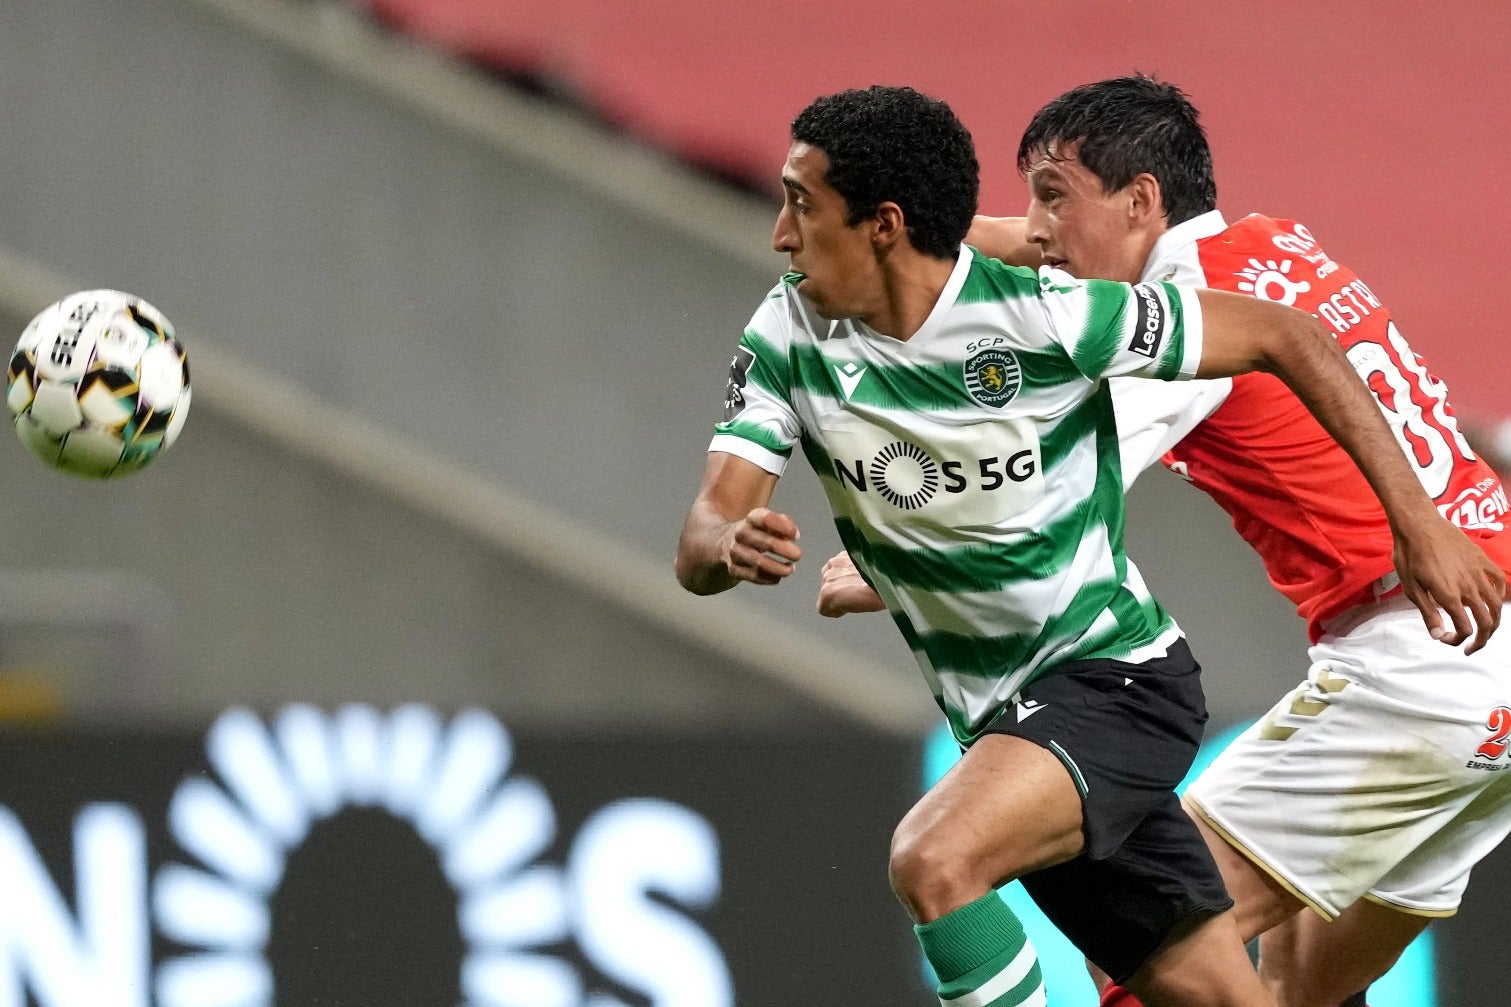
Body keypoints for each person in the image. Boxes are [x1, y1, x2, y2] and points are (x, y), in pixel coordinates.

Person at [675, 84, 1502, 1007]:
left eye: (1054, 196)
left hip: (1418, 662)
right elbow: (1003, 241)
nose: (1036, 228)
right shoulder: (1272, 245)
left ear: (1141, 200)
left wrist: (898, 560)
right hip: (1487, 652)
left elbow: (1042, 482)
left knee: (1135, 957)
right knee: (1290, 989)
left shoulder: (1175, 317)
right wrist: (909, 223)